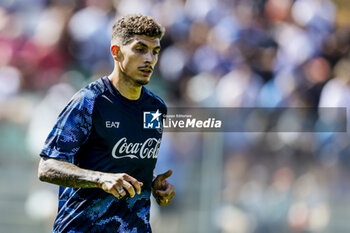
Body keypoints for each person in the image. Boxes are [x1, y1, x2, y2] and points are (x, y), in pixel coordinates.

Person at [38, 14, 175, 233]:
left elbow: (126, 164)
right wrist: (99, 179)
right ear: (116, 52)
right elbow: (48, 167)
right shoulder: (90, 101)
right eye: (140, 49)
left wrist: (154, 184)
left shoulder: (155, 108)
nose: (149, 58)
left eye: (155, 51)